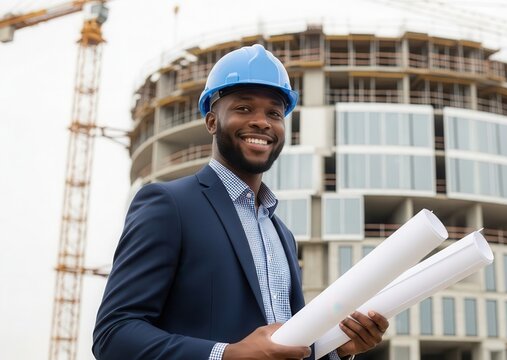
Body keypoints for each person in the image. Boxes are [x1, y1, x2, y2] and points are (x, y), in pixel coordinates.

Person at [92, 44, 389, 360]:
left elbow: (285, 345)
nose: (262, 122)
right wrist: (226, 354)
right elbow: (114, 334)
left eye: (274, 113)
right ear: (211, 122)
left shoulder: (282, 235)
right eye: (244, 108)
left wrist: (337, 349)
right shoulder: (169, 206)